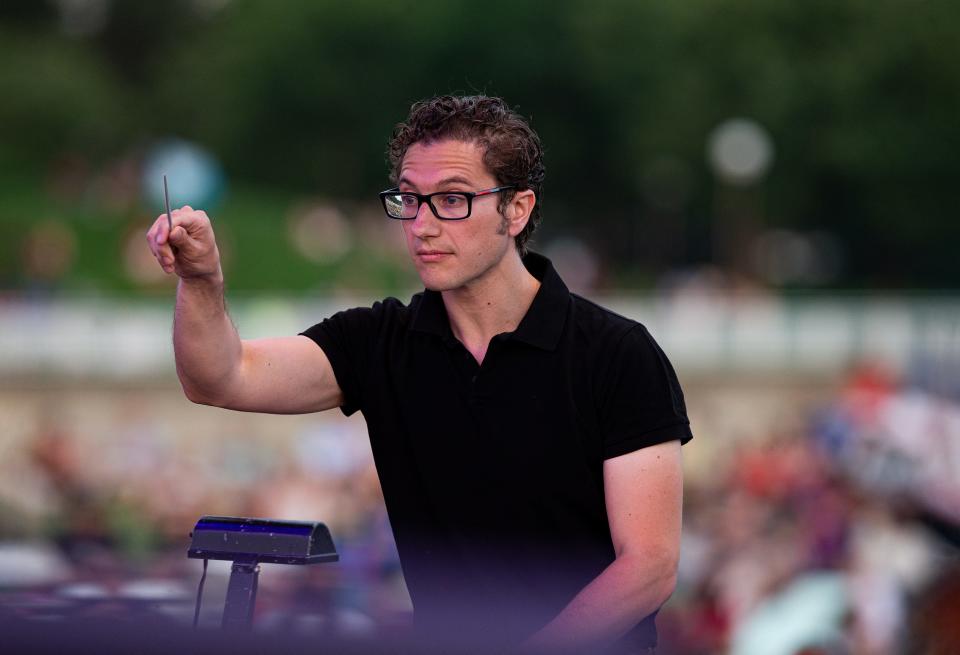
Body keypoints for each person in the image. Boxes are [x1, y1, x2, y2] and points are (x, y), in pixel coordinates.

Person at [146, 95, 692, 654]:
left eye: (451, 199)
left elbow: (649, 567)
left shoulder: (617, 353)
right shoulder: (380, 341)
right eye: (409, 200)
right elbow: (221, 377)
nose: (422, 225)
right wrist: (202, 280)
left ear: (517, 209)